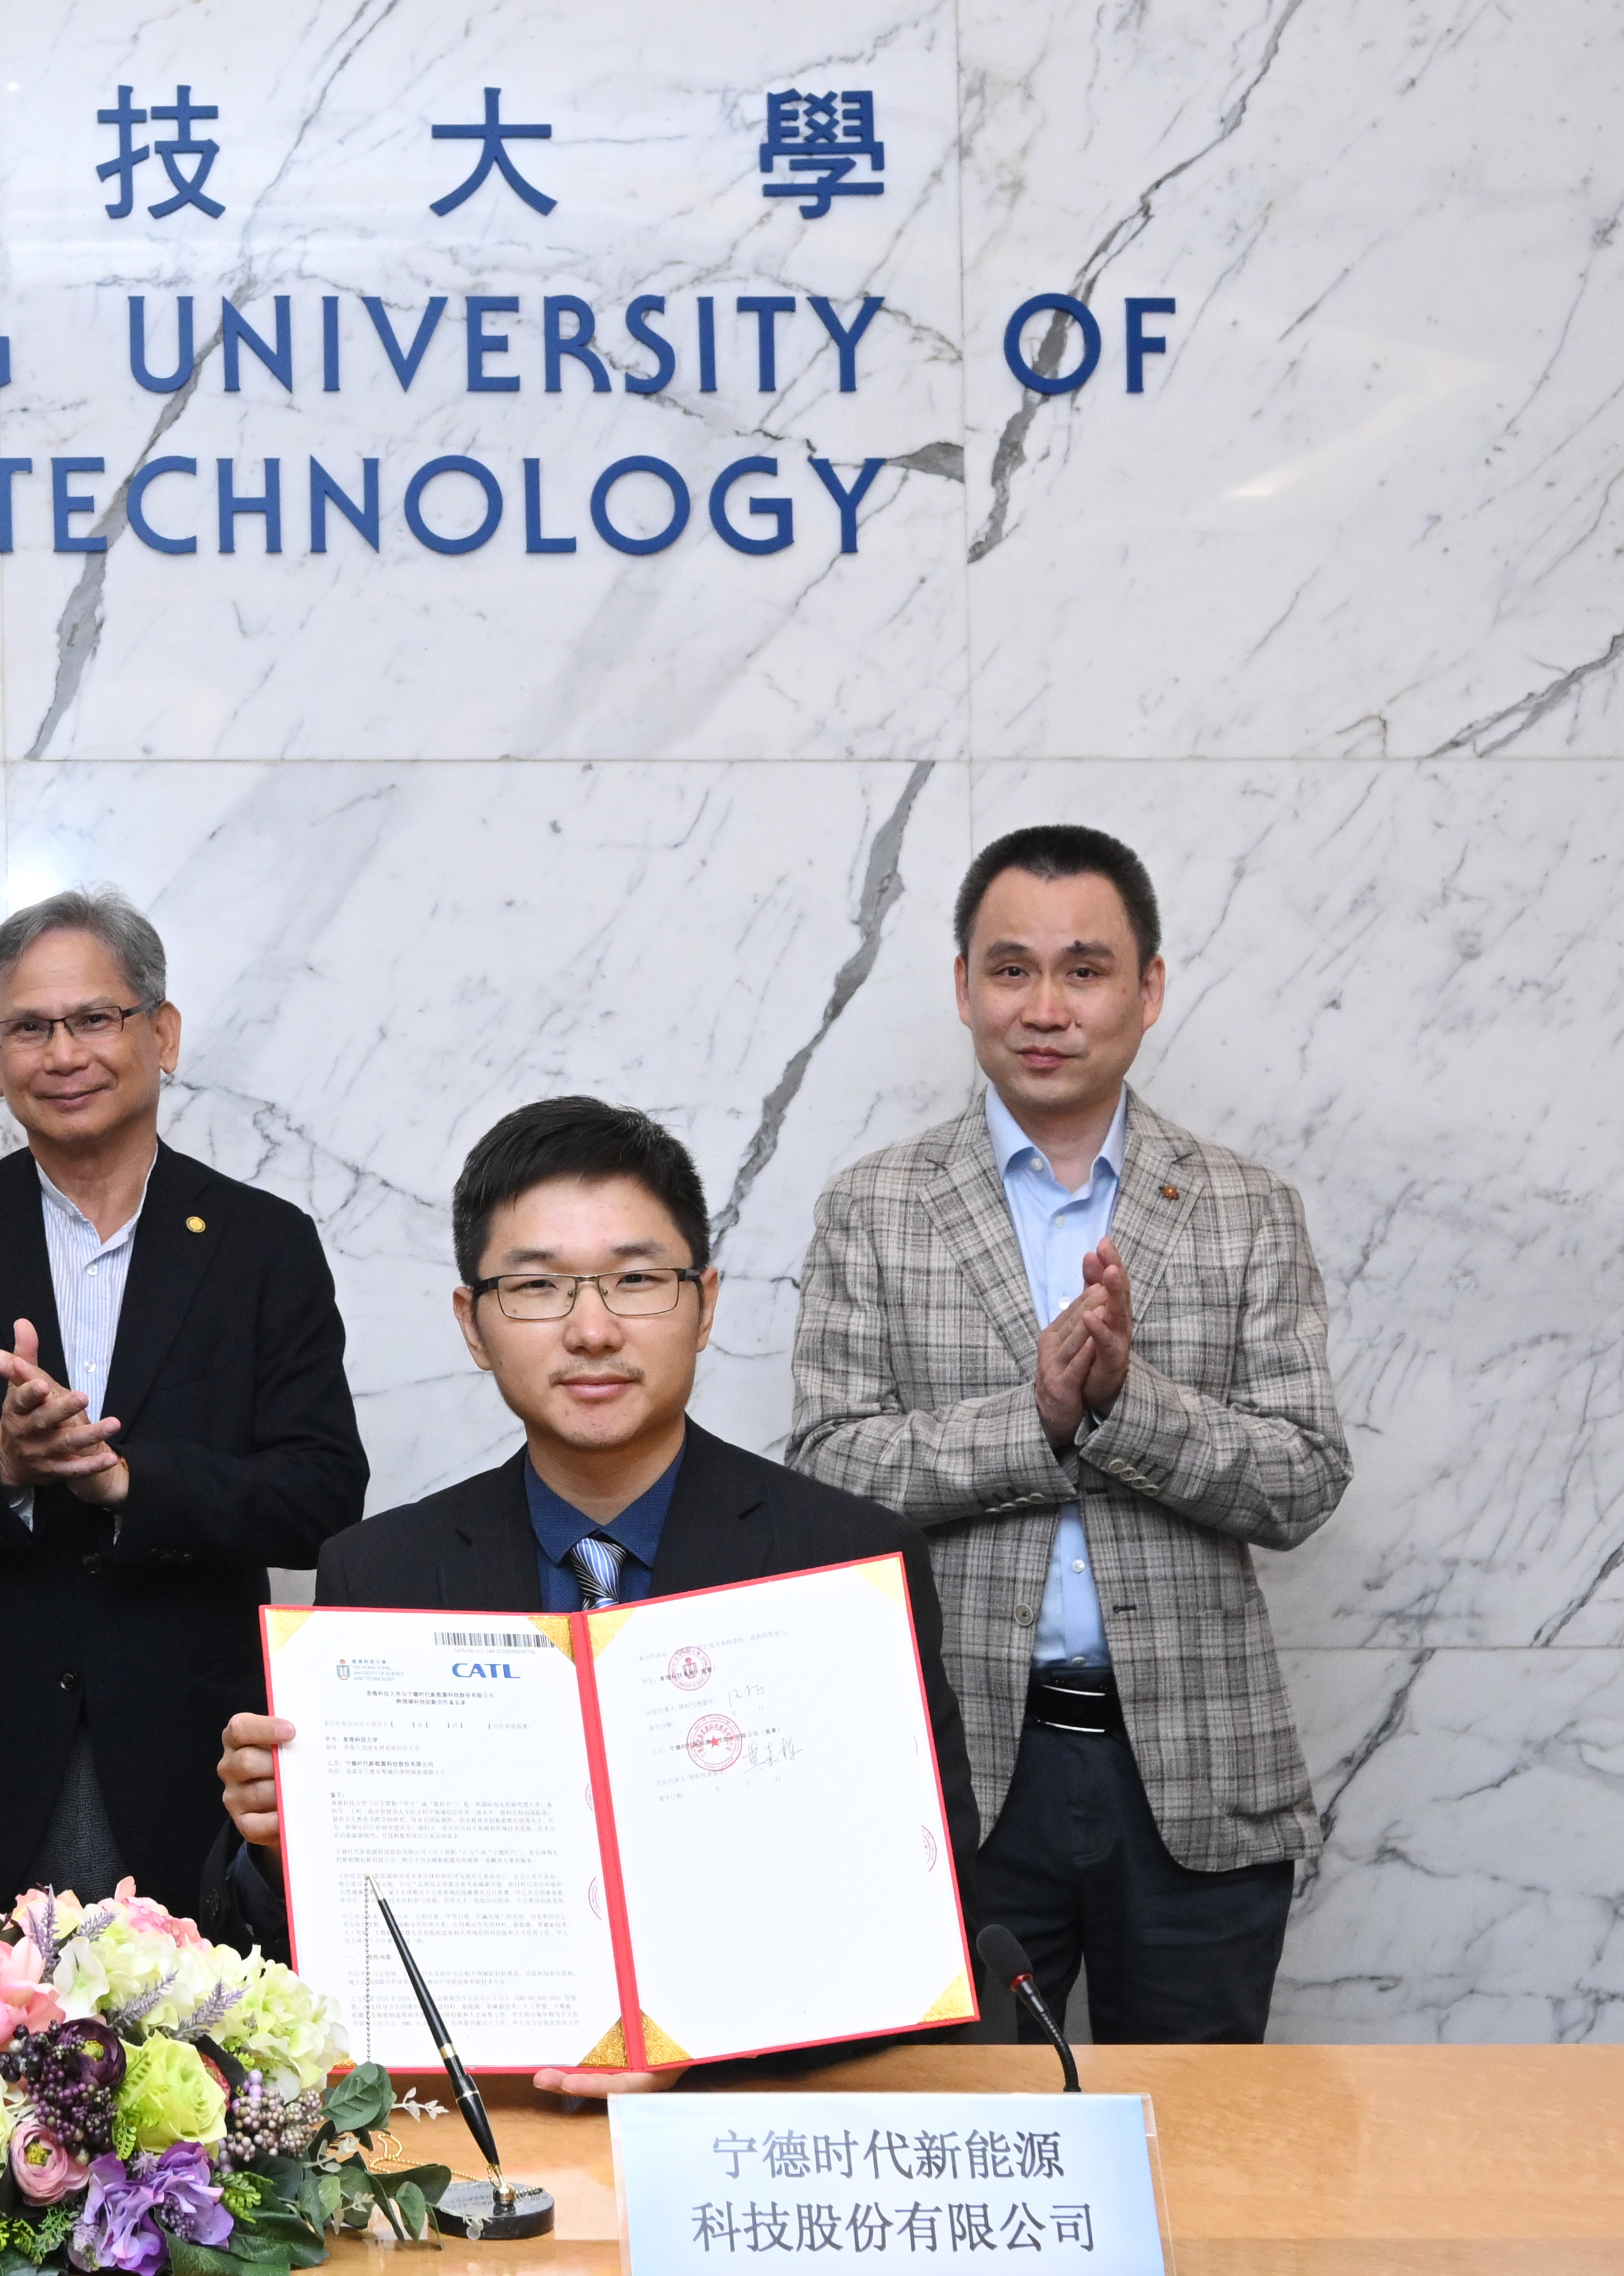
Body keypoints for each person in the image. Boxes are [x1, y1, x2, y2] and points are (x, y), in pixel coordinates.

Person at [209, 1095, 977, 2092]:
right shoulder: (381, 1573)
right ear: (473, 1324)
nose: (592, 1328)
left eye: (635, 1279)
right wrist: (280, 1845)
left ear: (705, 1302)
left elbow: (922, 1900)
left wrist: (692, 2052)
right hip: (491, 2125)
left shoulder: (843, 1563)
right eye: (536, 1286)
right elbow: (294, 1954)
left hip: (759, 2113)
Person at [787, 824, 1351, 2045]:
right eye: (1011, 969)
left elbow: (1304, 1474)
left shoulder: (1247, 1207)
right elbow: (828, 1465)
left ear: (1148, 990)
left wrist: (1125, 1405)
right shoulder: (875, 1206)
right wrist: (1034, 1421)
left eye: (1085, 970)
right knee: (972, 2138)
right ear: (963, 987)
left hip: (1199, 1774)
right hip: (961, 1770)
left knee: (1204, 2140)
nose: (1045, 1007)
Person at [0, 889, 366, 1907]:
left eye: (95, 1017)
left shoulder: (262, 1244)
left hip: (198, 1765)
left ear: (162, 1033)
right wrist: (2, 1466)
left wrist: (130, 1483)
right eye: (29, 1027)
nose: (63, 1053)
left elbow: (324, 1496)